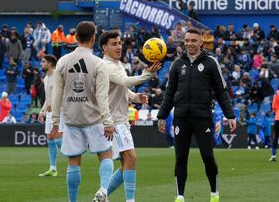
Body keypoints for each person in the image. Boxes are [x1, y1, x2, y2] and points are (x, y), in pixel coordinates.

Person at [157, 29, 236, 202]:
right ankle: (179, 196)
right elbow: (169, 93)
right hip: (181, 118)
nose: (190, 43)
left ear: (201, 42)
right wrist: (161, 116)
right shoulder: (177, 64)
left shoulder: (211, 63)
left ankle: (214, 192)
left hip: (203, 118)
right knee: (180, 158)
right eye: (187, 40)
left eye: (193, 40)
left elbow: (221, 92)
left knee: (208, 157)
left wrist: (230, 115)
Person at [50, 21, 114, 202]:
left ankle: (72, 201)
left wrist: (55, 120)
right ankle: (102, 190)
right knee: (106, 154)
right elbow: (102, 96)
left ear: (75, 37)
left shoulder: (63, 61)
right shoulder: (99, 63)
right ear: (94, 38)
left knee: (73, 160)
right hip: (94, 118)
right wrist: (108, 122)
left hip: (71, 119)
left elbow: (56, 94)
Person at [98, 30, 162, 202]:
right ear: (104, 48)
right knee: (131, 157)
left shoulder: (116, 65)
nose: (119, 46)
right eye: (114, 44)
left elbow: (121, 88)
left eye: (119, 43)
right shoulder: (107, 66)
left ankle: (101, 195)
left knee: (126, 164)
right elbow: (125, 81)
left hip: (120, 119)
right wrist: (147, 74)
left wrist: (135, 97)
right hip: (113, 121)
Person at [38, 54, 64, 177]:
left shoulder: (57, 76)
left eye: (43, 62)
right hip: (49, 112)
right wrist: (42, 111)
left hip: (59, 111)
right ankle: (53, 168)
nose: (41, 64)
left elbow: (61, 95)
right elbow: (48, 99)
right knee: (50, 139)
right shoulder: (46, 79)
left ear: (49, 64)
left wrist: (53, 106)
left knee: (58, 139)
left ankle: (75, 158)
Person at [271, 89, 279, 162]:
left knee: (276, 136)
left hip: (278, 118)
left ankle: (273, 155)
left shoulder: (277, 92)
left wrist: (277, 111)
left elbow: (273, 106)